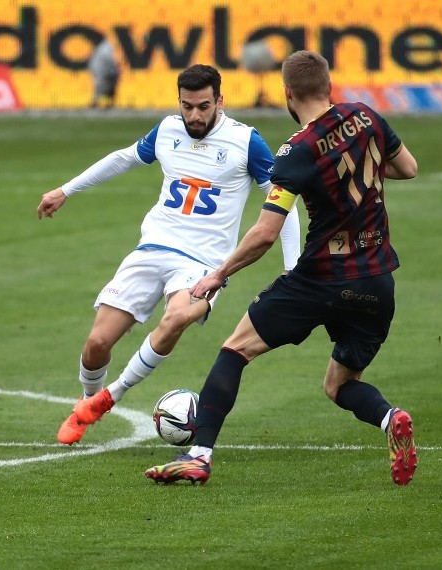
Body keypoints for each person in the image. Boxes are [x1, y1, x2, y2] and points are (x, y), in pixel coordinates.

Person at [144, 50, 419, 486]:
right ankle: (390, 418)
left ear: (287, 94)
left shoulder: (297, 150)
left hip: (321, 278)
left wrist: (218, 274)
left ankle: (199, 456)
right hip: (377, 280)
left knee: (235, 350)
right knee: (339, 384)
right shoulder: (366, 116)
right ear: (329, 85)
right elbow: (408, 168)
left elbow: (264, 234)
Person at [37, 64, 302, 446]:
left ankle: (113, 395)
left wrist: (292, 266)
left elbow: (285, 204)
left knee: (178, 315)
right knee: (96, 344)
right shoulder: (167, 130)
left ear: (220, 102)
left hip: (204, 265)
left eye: (203, 106)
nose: (194, 115)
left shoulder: (246, 142)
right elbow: (124, 158)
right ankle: (86, 404)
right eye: (187, 106)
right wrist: (66, 190)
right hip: (152, 250)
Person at [88, 37, 120, 109]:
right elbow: (108, 59)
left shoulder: (104, 48)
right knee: (101, 87)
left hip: (103, 70)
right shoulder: (106, 48)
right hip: (102, 71)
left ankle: (109, 103)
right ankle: (95, 103)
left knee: (109, 87)